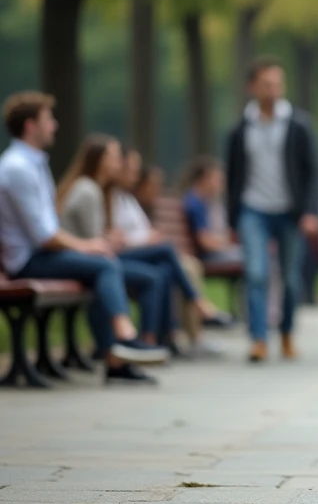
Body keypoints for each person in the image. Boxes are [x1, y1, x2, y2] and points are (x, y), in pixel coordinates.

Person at [0, 92, 169, 382]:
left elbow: (48, 227)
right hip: (27, 261)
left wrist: (92, 246)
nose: (54, 125)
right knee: (104, 264)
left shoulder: (32, 164)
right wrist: (89, 246)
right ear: (30, 126)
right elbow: (44, 236)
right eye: (48, 120)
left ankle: (118, 356)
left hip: (38, 255)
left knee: (104, 264)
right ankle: (122, 341)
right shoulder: (18, 168)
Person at [58, 135, 221, 357]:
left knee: (159, 271)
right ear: (100, 160)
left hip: (93, 257)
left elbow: (96, 239)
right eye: (115, 158)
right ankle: (122, 346)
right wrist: (112, 240)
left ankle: (151, 341)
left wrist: (110, 239)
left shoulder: (101, 190)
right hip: (87, 259)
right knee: (153, 258)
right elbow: (93, 243)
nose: (119, 164)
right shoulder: (89, 189)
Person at [225, 57, 318, 363]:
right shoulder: (240, 129)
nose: (273, 90)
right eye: (266, 84)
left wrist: (310, 211)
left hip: (290, 212)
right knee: (256, 274)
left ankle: (287, 332)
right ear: (251, 87)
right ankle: (258, 338)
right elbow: (232, 175)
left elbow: (312, 171)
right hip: (253, 209)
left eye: (278, 83)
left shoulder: (298, 125)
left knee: (291, 279)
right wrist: (233, 217)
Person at [112, 149, 230, 353]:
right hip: (121, 255)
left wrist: (149, 236)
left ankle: (162, 338)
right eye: (131, 170)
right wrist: (148, 238)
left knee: (165, 271)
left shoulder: (127, 199)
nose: (135, 176)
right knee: (170, 256)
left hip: (139, 253)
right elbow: (115, 236)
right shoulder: (115, 197)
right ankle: (197, 306)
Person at [183, 156, 243, 265]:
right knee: (252, 257)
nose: (222, 184)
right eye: (217, 179)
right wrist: (226, 244)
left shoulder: (203, 201)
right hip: (207, 256)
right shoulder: (195, 203)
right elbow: (205, 241)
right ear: (205, 179)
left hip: (212, 253)